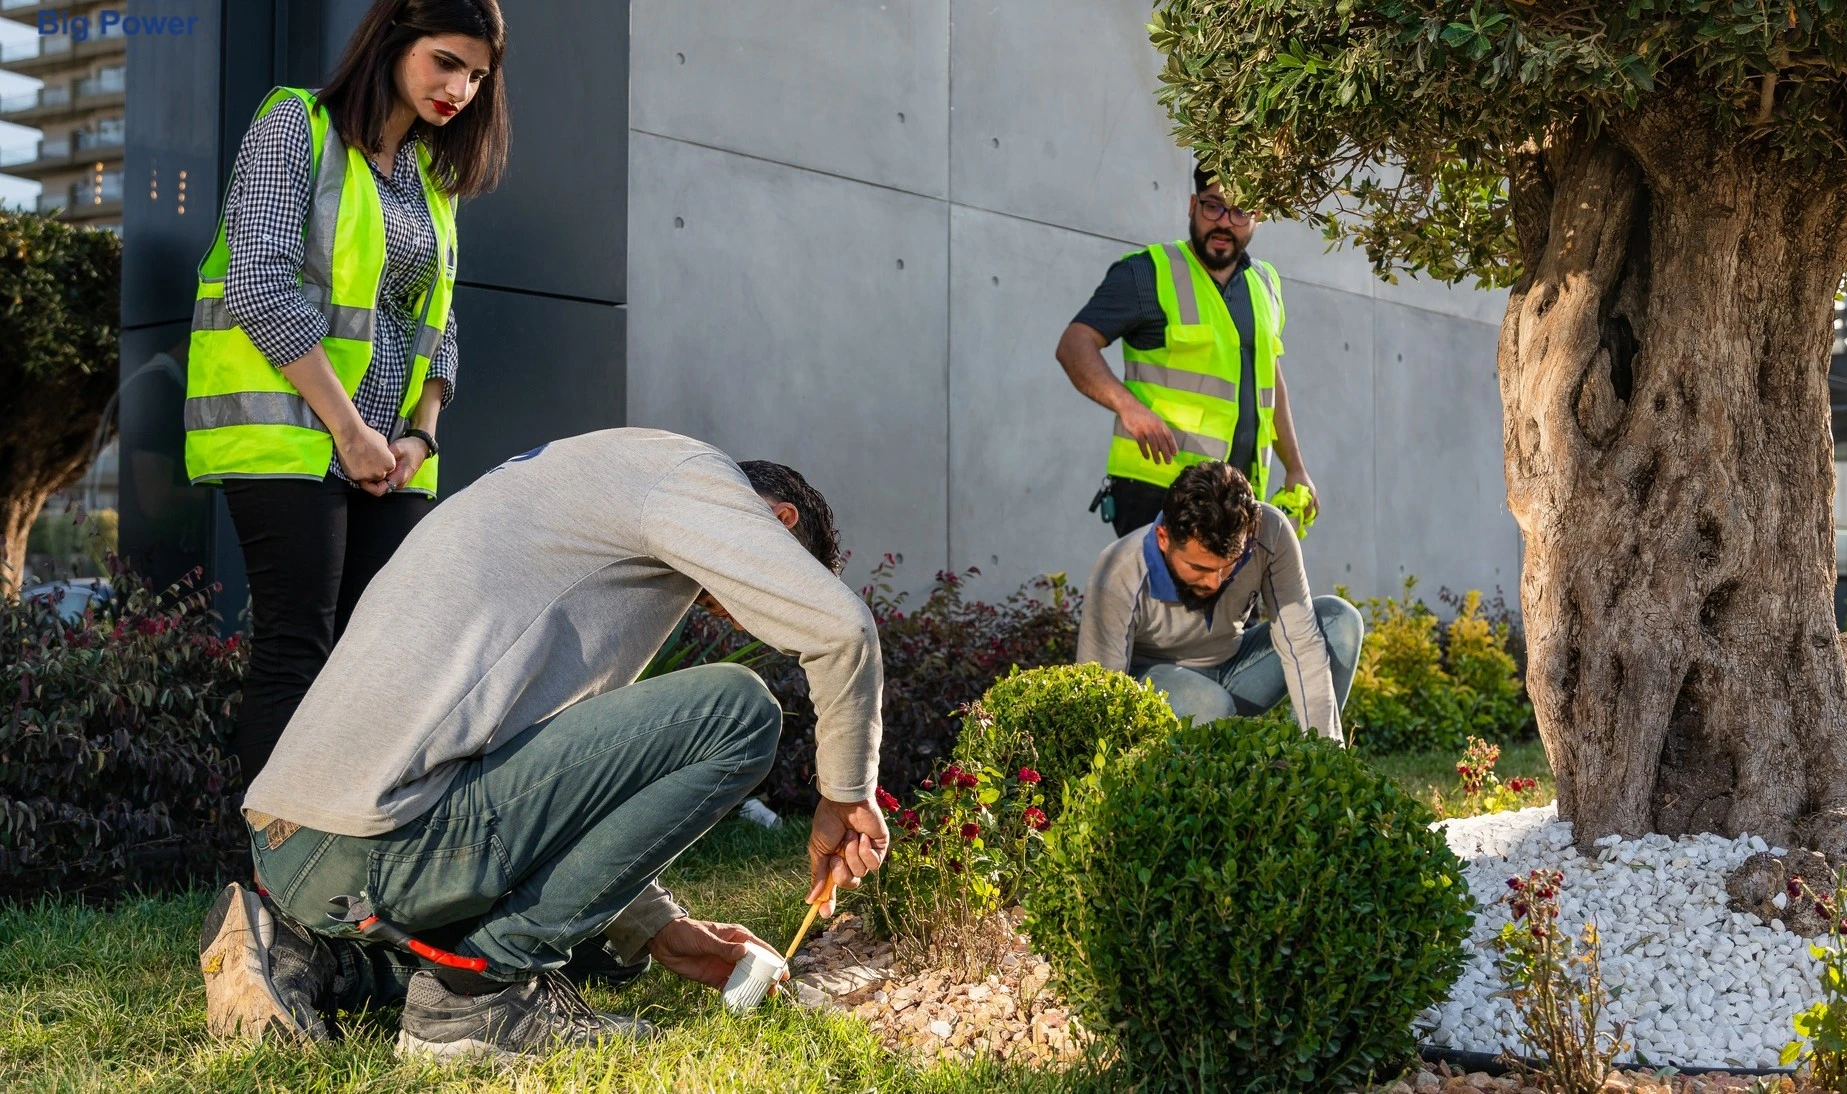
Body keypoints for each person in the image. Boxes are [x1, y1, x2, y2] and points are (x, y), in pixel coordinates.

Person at [197, 429, 890, 1060]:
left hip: (295, 846)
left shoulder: (599, 486)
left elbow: (558, 782)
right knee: (738, 712)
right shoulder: (694, 481)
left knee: (613, 954)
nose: (743, 614)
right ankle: (477, 1002)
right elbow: (842, 632)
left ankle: (312, 955)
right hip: (377, 836)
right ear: (778, 524)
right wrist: (845, 796)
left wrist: (663, 929)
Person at [184, 0, 511, 784]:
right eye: (445, 62)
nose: (459, 89)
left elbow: (439, 317)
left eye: (476, 76)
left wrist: (422, 431)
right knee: (297, 647)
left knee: (387, 660)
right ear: (396, 39)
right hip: (290, 433)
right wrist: (348, 429)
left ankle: (351, 863)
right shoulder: (296, 127)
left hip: (393, 451)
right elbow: (258, 283)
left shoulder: (433, 178)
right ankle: (268, 873)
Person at [1056, 166, 1319, 536]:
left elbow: (1270, 380)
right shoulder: (1148, 273)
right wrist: (1128, 407)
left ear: (1257, 217)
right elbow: (1074, 345)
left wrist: (1295, 467)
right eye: (1213, 207)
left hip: (1237, 498)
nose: (1225, 222)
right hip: (1158, 492)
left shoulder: (1265, 283)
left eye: (1240, 211)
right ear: (1193, 206)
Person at [1077, 460, 1362, 738]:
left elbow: (1302, 644)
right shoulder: (1120, 571)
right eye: (1199, 568)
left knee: (1340, 622)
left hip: (1235, 669)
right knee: (1209, 705)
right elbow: (1101, 694)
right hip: (1156, 684)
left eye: (1229, 566)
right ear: (1163, 539)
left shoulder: (1269, 532)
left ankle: (1302, 761)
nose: (1215, 582)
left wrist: (1323, 755)